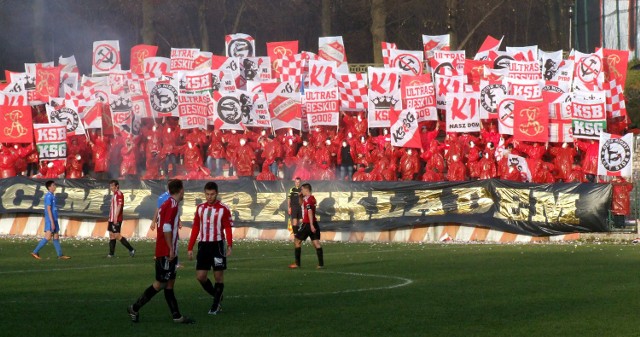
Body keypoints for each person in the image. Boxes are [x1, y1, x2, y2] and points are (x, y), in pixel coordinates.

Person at [127, 179, 194, 324]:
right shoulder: (172, 205)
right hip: (165, 251)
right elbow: (166, 228)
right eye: (183, 190)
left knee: (169, 285)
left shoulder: (167, 203)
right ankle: (134, 307)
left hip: (169, 250)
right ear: (181, 190)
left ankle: (177, 316)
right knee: (160, 284)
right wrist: (170, 249)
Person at [187, 181, 234, 315]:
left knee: (218, 277)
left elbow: (227, 228)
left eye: (212, 194)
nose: (209, 197)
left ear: (216, 194)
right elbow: (196, 227)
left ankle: (216, 305)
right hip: (203, 245)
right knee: (200, 276)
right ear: (204, 194)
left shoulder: (223, 209)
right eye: (207, 194)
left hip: (218, 245)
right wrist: (190, 247)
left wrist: (230, 245)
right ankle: (217, 295)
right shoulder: (200, 208)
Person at [31, 180, 71, 260]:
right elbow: (48, 209)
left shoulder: (52, 195)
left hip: (54, 219)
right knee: (48, 237)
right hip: (50, 220)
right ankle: (35, 252)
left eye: (55, 185)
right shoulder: (48, 196)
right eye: (53, 185)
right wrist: (52, 222)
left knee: (56, 237)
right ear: (49, 187)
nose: (55, 186)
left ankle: (60, 255)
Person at [289, 183, 324, 269]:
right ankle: (321, 264)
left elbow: (309, 211)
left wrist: (311, 225)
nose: (301, 191)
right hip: (314, 223)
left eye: (302, 189)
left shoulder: (308, 200)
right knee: (316, 243)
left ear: (306, 189)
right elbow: (301, 204)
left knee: (297, 241)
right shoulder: (312, 198)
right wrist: (300, 196)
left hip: (308, 223)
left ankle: (297, 263)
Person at [107, 180, 136, 258]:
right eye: (110, 186)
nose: (111, 188)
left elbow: (119, 206)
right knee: (111, 235)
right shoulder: (114, 194)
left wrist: (116, 217)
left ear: (117, 186)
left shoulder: (119, 194)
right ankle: (111, 254)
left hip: (116, 218)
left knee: (117, 235)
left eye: (112, 186)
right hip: (111, 218)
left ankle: (131, 249)